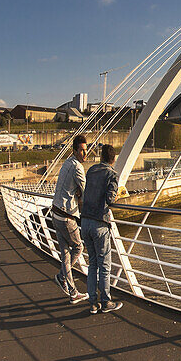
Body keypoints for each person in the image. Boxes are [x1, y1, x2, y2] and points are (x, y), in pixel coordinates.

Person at [80, 144, 123, 314]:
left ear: (101, 157)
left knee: (92, 264)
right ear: (113, 159)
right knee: (104, 265)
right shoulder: (112, 174)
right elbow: (110, 199)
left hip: (85, 222)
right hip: (99, 223)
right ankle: (105, 302)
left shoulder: (91, 170)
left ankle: (92, 302)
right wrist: (118, 194)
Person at [50, 134, 89, 304]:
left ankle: (71, 288)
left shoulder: (66, 163)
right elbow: (86, 191)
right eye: (81, 150)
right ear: (74, 150)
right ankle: (62, 278)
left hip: (55, 212)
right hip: (66, 216)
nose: (84, 154)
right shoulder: (78, 168)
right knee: (79, 247)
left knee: (66, 253)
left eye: (86, 150)